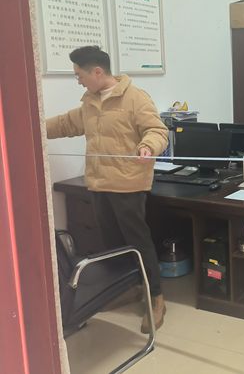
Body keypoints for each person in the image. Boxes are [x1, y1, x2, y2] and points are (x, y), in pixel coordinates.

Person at [46, 46, 169, 334]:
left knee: (138, 242)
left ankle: (156, 298)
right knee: (113, 243)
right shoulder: (90, 102)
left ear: (97, 72)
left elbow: (157, 130)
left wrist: (148, 146)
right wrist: (31, 126)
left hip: (128, 184)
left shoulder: (135, 98)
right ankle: (129, 288)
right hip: (99, 184)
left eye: (79, 75)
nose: (78, 81)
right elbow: (65, 124)